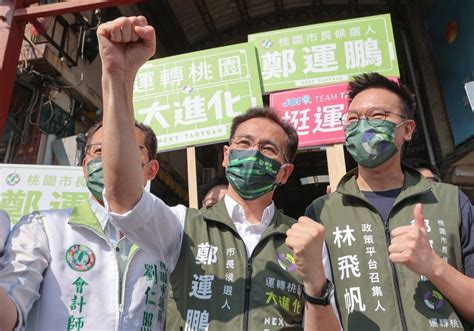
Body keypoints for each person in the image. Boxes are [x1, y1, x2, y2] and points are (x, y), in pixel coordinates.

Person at [97, 16, 340, 330]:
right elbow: (122, 198)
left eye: (268, 149)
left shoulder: (305, 243)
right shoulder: (183, 227)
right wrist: (117, 78)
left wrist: (315, 283)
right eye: (243, 143)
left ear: (284, 173)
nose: (252, 153)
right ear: (226, 156)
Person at [305, 72, 474, 330]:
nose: (362, 126)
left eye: (377, 116)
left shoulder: (451, 201)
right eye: (353, 119)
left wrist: (433, 266)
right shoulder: (321, 212)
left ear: (407, 129)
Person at [0, 120, 171, 330]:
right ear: (84, 167)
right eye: (99, 151)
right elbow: (10, 311)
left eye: (126, 151)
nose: (111, 160)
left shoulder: (168, 239)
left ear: (151, 170)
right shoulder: (43, 227)